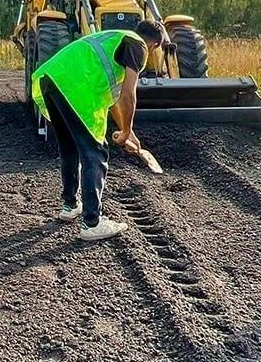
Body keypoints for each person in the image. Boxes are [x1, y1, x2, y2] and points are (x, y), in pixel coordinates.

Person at [31, 20, 164, 241]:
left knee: (70, 147)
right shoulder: (138, 46)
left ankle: (70, 205)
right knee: (96, 153)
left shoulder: (115, 38)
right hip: (76, 91)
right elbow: (128, 95)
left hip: (52, 79)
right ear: (156, 45)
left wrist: (126, 132)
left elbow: (113, 99)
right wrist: (127, 129)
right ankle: (92, 222)